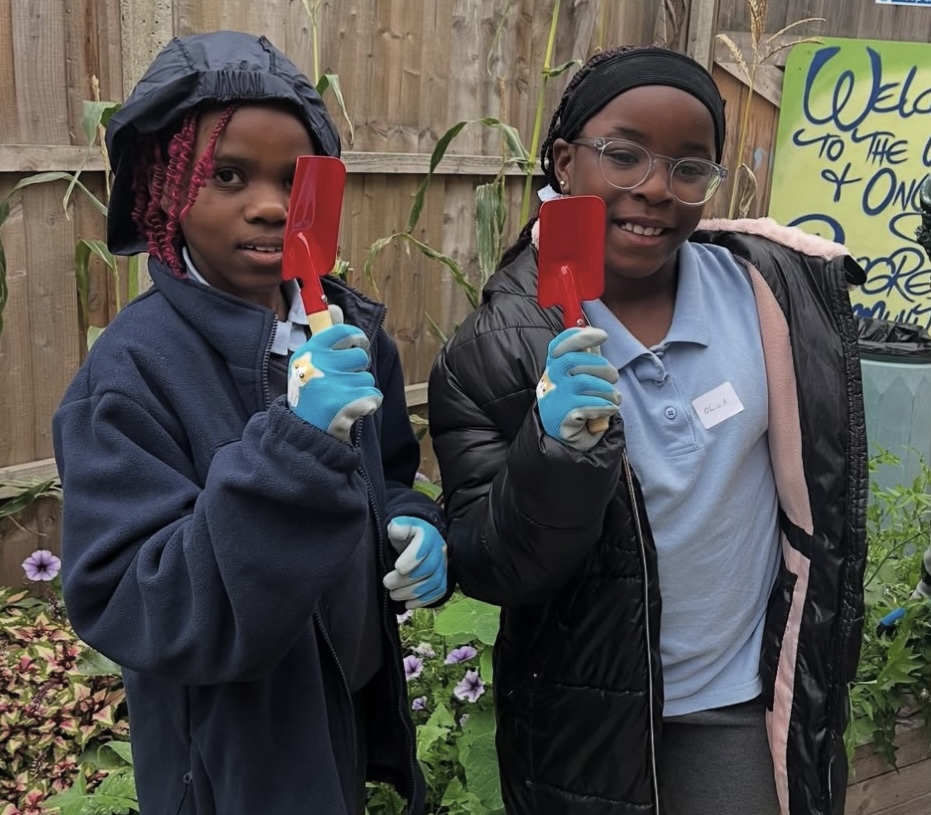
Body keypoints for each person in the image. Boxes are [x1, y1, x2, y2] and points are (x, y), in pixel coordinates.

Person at [428, 44, 867, 815]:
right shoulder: (495, 350)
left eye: (688, 167)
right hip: (583, 711)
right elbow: (488, 565)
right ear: (564, 162)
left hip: (739, 697)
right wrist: (555, 453)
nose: (656, 189)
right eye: (622, 156)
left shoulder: (768, 297)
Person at [53, 31, 447, 815]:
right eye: (226, 176)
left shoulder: (346, 333)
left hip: (336, 706)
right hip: (231, 764)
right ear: (164, 191)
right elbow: (134, 598)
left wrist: (410, 521)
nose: (269, 204)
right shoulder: (130, 374)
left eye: (293, 179)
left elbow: (387, 475)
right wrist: (296, 446)